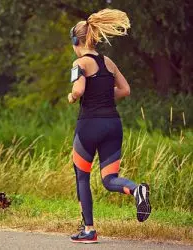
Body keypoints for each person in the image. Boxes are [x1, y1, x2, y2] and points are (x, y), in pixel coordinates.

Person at [67, 9, 151, 244]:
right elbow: (125, 90)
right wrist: (103, 94)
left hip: (89, 126)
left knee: (82, 176)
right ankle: (136, 190)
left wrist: (72, 97)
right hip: (113, 125)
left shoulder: (80, 62)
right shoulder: (109, 62)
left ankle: (89, 230)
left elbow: (79, 90)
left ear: (76, 41)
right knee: (109, 178)